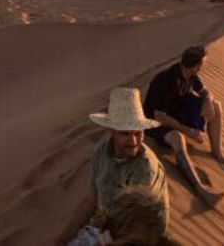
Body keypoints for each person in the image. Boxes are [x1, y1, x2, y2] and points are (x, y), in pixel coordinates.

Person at [142, 45, 224, 207]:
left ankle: (218, 154)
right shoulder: (166, 81)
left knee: (215, 105)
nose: (203, 66)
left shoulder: (190, 74)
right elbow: (160, 116)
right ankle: (201, 190)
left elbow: (205, 91)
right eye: (203, 63)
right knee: (177, 137)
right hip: (154, 121)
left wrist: (208, 100)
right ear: (196, 65)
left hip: (176, 112)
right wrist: (189, 131)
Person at [69, 88, 169, 246]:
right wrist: (68, 234)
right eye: (125, 134)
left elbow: (138, 226)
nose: (134, 141)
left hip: (138, 238)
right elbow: (93, 198)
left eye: (138, 133)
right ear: (111, 131)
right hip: (102, 227)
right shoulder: (101, 152)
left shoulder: (145, 167)